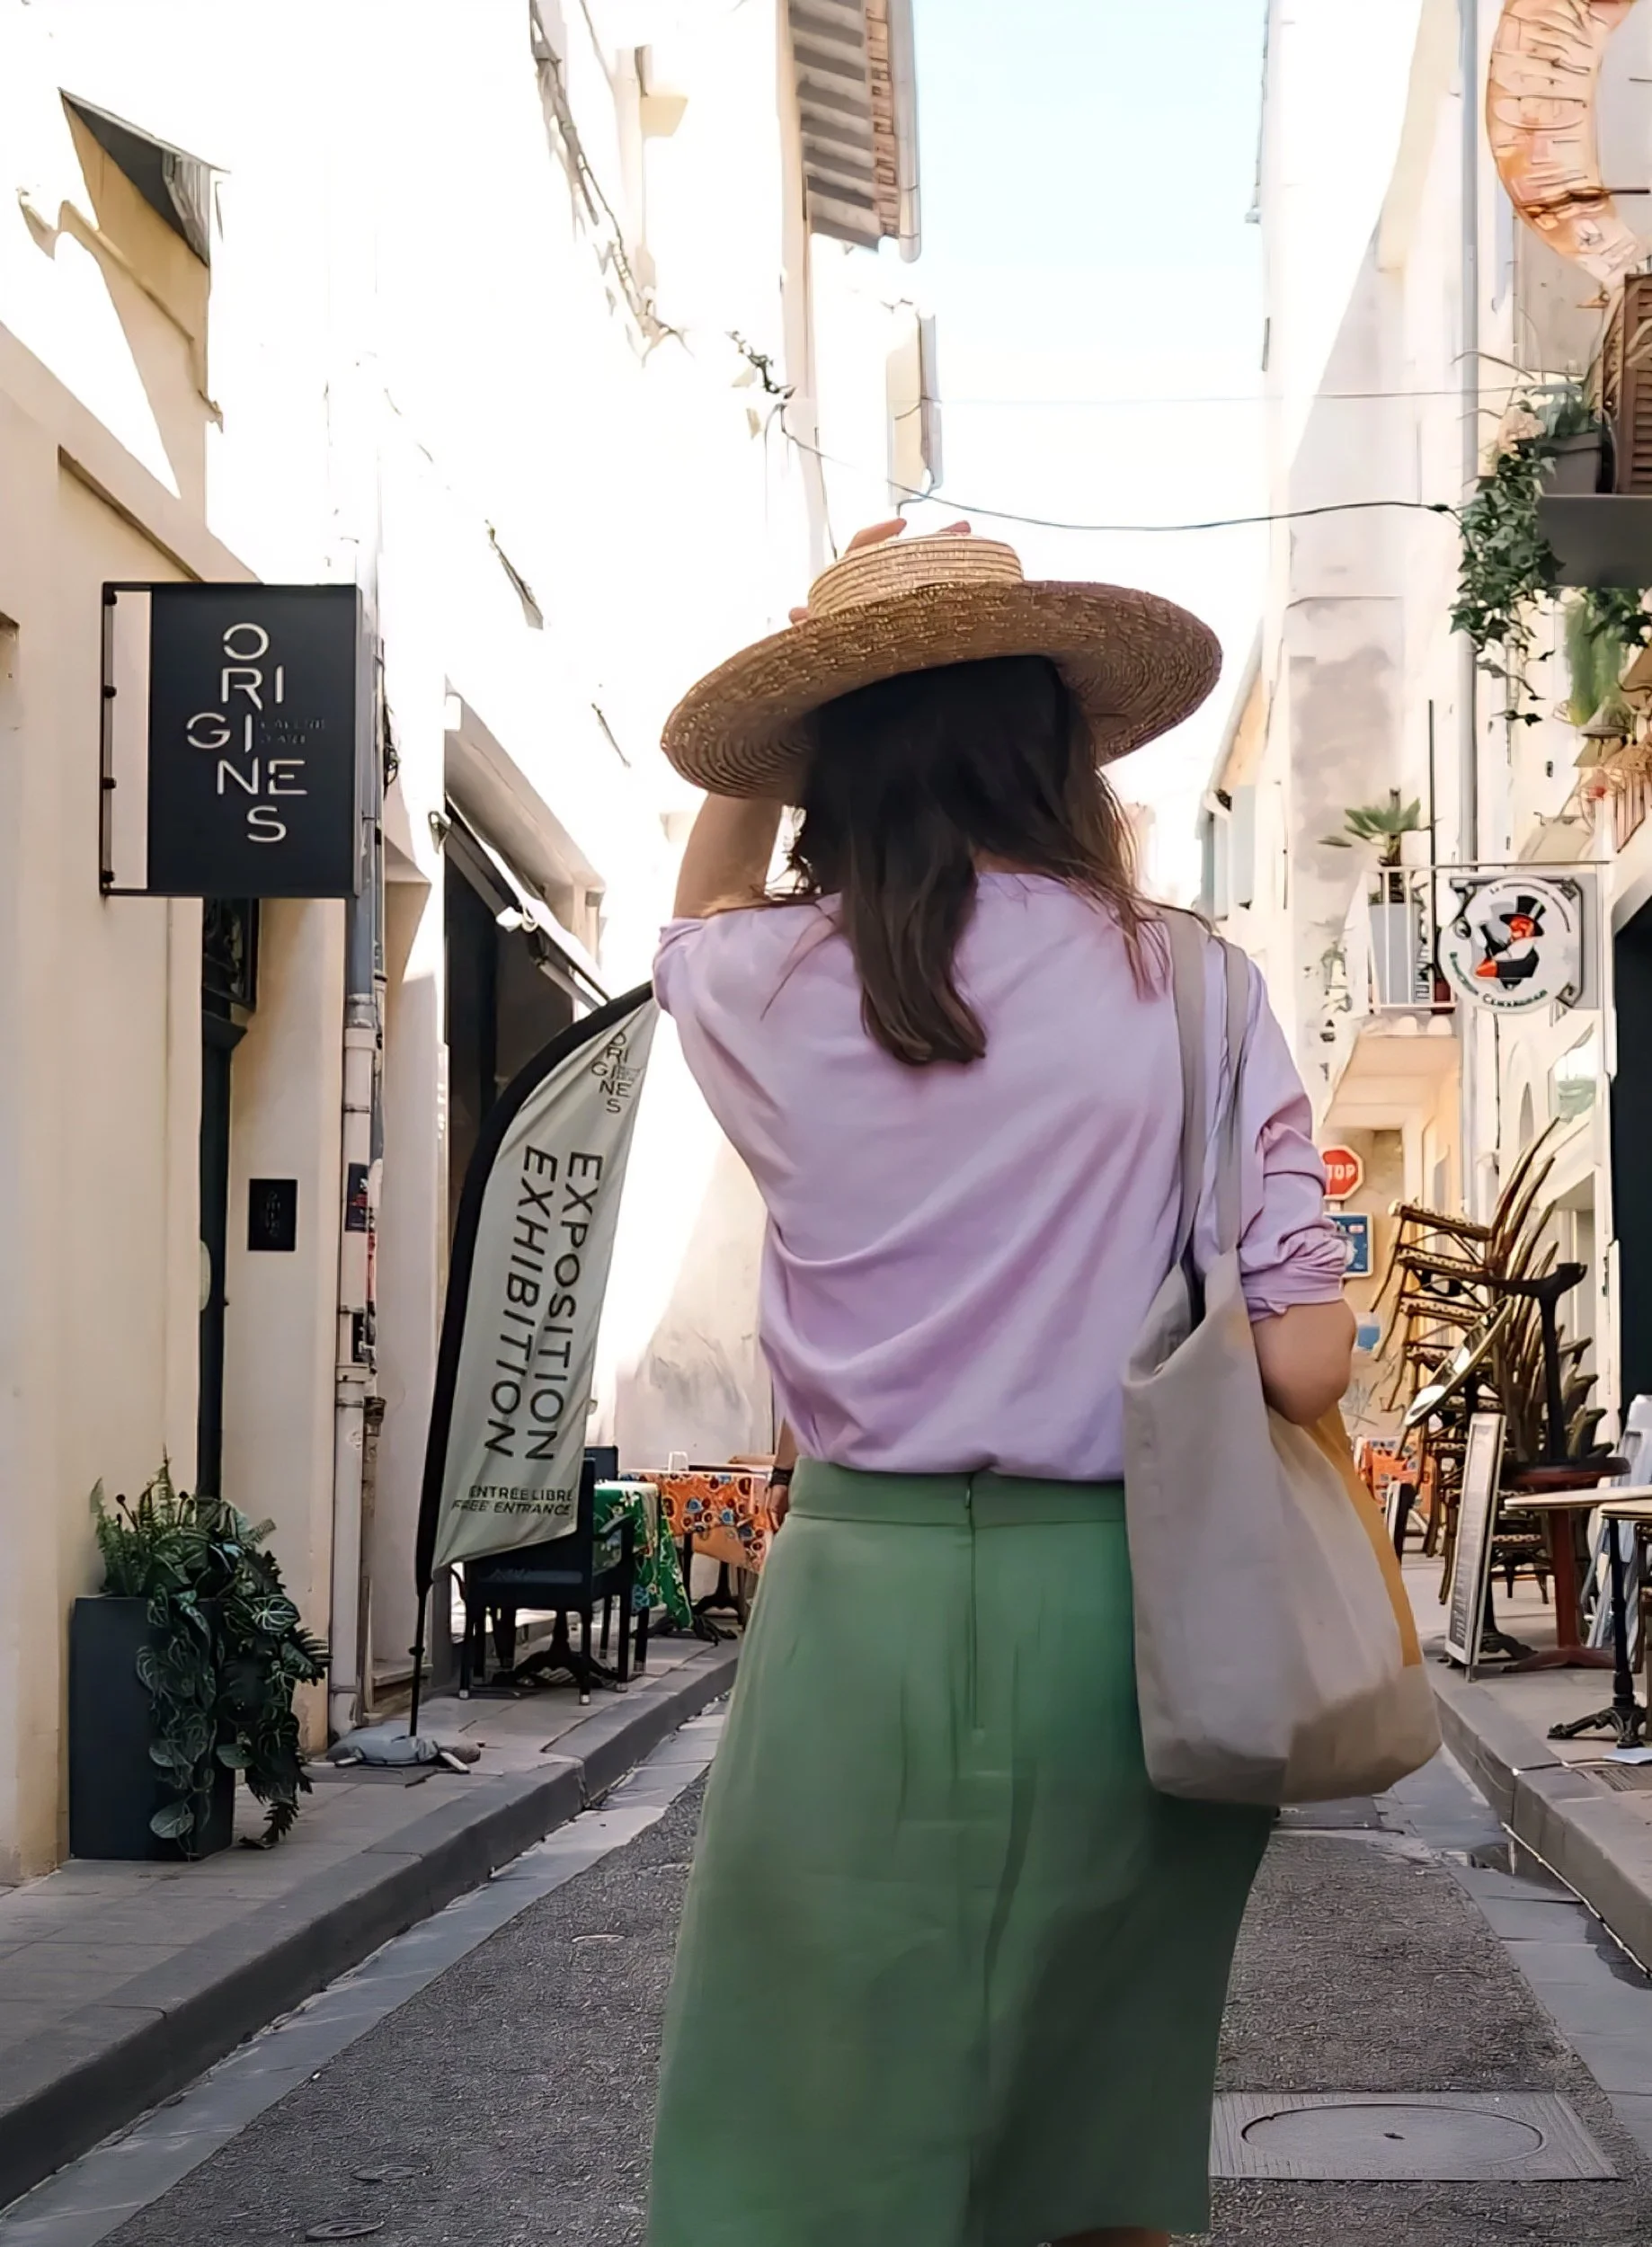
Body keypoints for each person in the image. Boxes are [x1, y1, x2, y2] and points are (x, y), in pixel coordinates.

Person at [644, 521, 1354, 2247]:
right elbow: (1301, 1352)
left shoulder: (764, 983)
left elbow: (701, 902)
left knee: (808, 2129)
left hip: (853, 1610)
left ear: (832, 764)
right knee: (1090, 2139)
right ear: (1060, 747)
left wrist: (777, 707)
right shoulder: (1192, 986)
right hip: (1128, 1619)